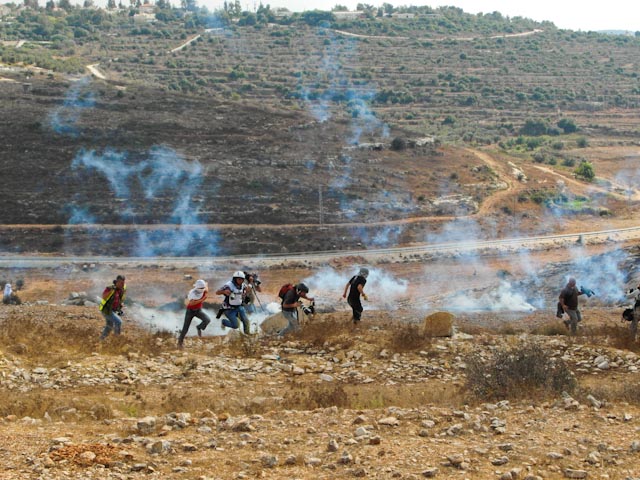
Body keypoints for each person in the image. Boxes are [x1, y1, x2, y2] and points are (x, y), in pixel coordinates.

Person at [177, 279, 211, 348]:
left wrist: (206, 284)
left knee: (207, 319)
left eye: (203, 288)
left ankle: (199, 327)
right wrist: (202, 299)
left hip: (198, 310)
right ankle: (180, 343)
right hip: (190, 311)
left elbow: (206, 289)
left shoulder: (204, 289)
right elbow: (192, 303)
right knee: (185, 328)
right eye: (201, 288)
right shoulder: (192, 293)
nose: (202, 289)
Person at [99, 275, 126, 340]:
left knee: (109, 326)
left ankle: (101, 340)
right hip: (106, 310)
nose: (123, 284)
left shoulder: (120, 290)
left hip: (112, 311)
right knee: (118, 322)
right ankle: (116, 340)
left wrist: (120, 305)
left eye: (123, 283)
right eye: (121, 283)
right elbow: (104, 297)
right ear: (117, 282)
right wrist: (111, 291)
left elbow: (119, 299)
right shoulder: (110, 288)